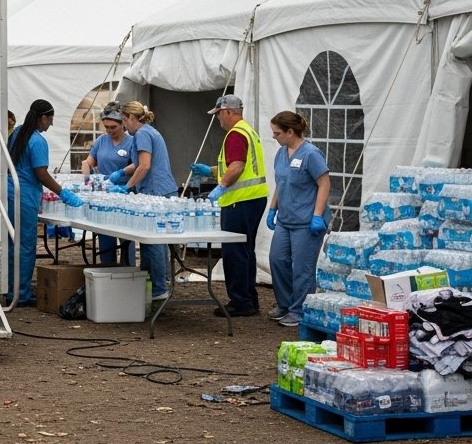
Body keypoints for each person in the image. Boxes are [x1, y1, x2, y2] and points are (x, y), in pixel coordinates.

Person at [190, 94, 268, 317]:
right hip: (252, 198)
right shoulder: (247, 131)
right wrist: (211, 172)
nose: (218, 120)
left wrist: (221, 186)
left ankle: (240, 301)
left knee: (234, 251)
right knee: (246, 251)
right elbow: (235, 166)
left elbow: (237, 167)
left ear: (228, 111)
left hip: (239, 201)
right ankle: (248, 299)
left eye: (218, 115)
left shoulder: (235, 134)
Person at [6, 99, 82, 305]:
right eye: (50, 119)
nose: (51, 124)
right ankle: (21, 294)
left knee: (12, 244)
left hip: (10, 191)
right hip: (25, 195)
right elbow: (41, 173)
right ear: (43, 117)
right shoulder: (38, 141)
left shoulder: (19, 132)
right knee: (25, 245)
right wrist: (63, 192)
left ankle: (9, 289)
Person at [265, 111, 331, 327]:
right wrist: (273, 208)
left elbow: (324, 183)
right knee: (277, 260)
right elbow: (282, 183)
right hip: (286, 219)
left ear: (290, 132)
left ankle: (300, 310)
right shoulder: (281, 154)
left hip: (307, 221)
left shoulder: (311, 154)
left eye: (277, 133)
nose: (274, 137)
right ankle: (285, 304)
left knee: (302, 268)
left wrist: (317, 215)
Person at [112, 101, 180, 300]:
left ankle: (158, 288)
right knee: (156, 240)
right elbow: (138, 163)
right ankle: (158, 282)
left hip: (156, 192)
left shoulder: (142, 134)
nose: (124, 126)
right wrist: (121, 172)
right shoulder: (149, 132)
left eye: (124, 121)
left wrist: (127, 186)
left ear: (130, 118)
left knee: (154, 241)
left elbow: (144, 166)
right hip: (162, 189)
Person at [80, 104, 135, 265]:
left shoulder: (132, 141)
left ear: (123, 124)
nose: (109, 130)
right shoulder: (101, 141)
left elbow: (138, 165)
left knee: (126, 236)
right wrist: (86, 174)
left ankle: (128, 268)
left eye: (113, 127)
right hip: (104, 195)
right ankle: (108, 268)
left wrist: (120, 174)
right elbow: (89, 161)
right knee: (105, 235)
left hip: (125, 193)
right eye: (106, 127)